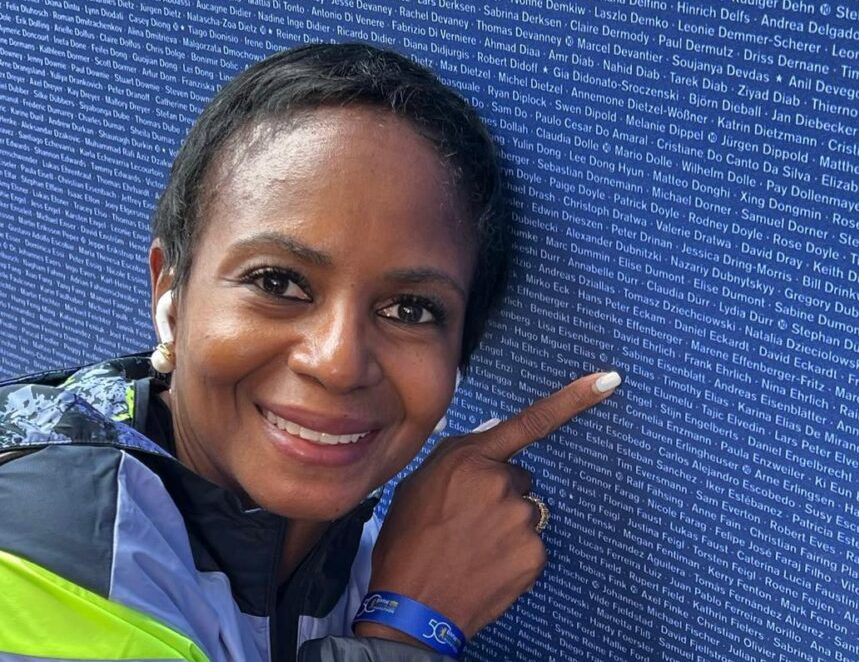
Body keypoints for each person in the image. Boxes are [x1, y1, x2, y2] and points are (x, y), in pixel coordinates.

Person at [0, 44, 621, 661]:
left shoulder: (370, 542)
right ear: (172, 291)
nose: (339, 363)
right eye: (277, 283)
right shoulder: (35, 546)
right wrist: (408, 627)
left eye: (410, 310)